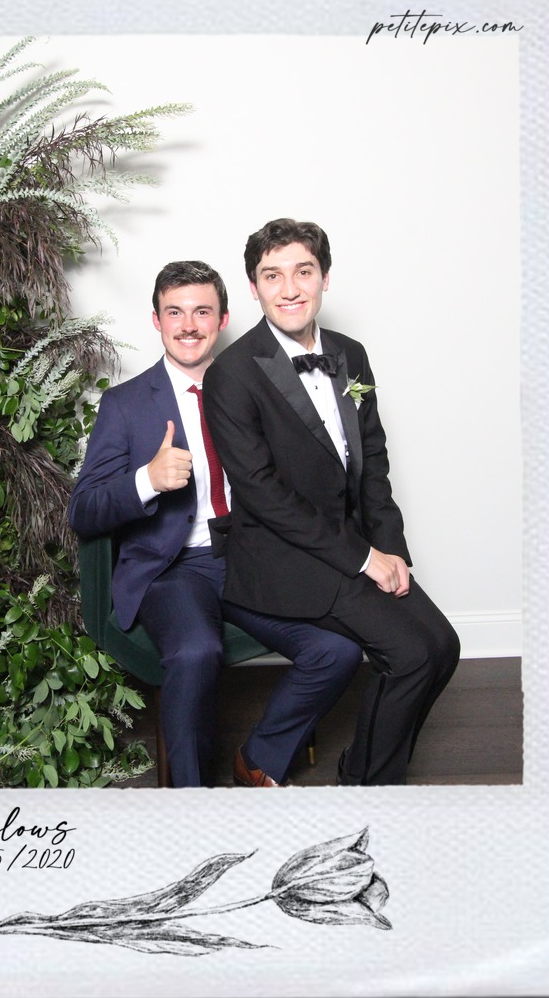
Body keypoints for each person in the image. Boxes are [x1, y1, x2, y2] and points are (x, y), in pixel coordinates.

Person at [68, 260, 363, 788]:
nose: (188, 326)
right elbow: (84, 510)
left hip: (252, 558)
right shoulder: (125, 404)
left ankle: (258, 759)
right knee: (195, 651)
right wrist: (147, 480)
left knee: (337, 651)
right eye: (174, 313)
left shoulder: (258, 387)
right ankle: (192, 800)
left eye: (202, 312)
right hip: (174, 569)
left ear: (223, 319)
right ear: (156, 321)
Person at [203, 219, 461, 786]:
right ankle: (366, 789)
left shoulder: (351, 354)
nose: (289, 288)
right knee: (411, 655)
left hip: (351, 544)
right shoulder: (232, 375)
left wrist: (390, 549)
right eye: (272, 275)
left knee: (444, 645)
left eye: (303, 271)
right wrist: (364, 559)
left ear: (324, 278)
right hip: (284, 558)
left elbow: (374, 461)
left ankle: (367, 771)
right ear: (253, 287)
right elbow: (263, 494)